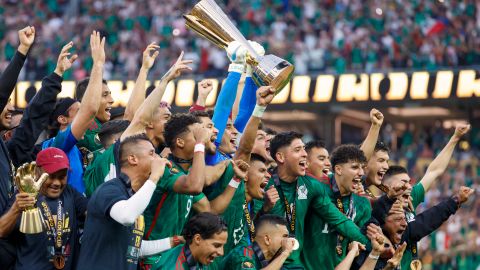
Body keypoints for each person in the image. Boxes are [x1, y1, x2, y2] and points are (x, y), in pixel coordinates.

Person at [82, 50, 190, 196]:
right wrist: (165, 80)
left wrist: (144, 69)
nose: (134, 137)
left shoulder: (96, 164)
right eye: (129, 137)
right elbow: (138, 119)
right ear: (116, 141)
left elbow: (132, 117)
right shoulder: (113, 157)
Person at [255, 131, 368, 268]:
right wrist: (264, 208)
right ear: (280, 157)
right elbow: (247, 225)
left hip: (296, 264)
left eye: (304, 149)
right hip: (267, 262)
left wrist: (370, 244)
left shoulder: (312, 186)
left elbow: (339, 220)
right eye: (298, 150)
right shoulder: (263, 184)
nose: (304, 154)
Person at [77, 134, 173, 270]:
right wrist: (155, 177)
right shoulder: (110, 189)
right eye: (152, 154)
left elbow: (134, 247)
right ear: (133, 159)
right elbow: (126, 216)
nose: (158, 159)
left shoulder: (135, 198)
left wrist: (174, 241)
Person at [42, 31, 110, 194]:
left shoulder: (75, 149)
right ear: (62, 119)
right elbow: (90, 110)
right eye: (79, 112)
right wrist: (98, 64)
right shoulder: (54, 145)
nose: (86, 117)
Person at [0, 147, 88, 270]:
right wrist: (16, 209)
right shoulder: (23, 195)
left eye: (62, 177)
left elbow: (91, 213)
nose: (57, 183)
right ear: (37, 173)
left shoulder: (70, 193)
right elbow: (1, 231)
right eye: (51, 176)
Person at [352, 186, 474, 270]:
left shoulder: (405, 234)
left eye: (404, 218)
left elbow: (428, 219)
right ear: (382, 222)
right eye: (398, 219)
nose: (404, 223)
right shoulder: (367, 236)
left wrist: (456, 200)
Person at [302, 145, 372, 270]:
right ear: (338, 170)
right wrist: (371, 245)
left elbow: (362, 244)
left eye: (362, 168)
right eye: (355, 167)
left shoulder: (363, 204)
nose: (361, 173)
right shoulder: (317, 190)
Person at [152, 212, 228, 270]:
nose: (221, 253)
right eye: (217, 245)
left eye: (223, 246)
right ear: (197, 239)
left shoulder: (199, 256)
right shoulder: (172, 267)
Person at [221, 214, 297, 269]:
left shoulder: (270, 262)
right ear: (267, 239)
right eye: (284, 236)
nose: (288, 241)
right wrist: (285, 253)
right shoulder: (243, 254)